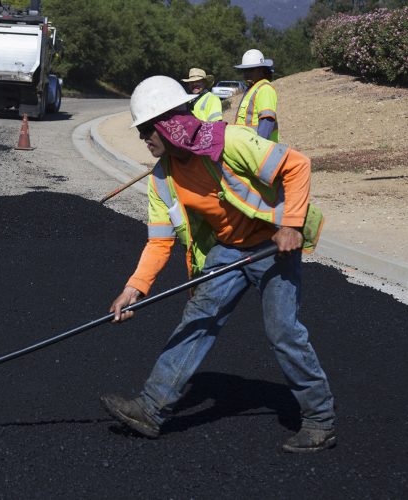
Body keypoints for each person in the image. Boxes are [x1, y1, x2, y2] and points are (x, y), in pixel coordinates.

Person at [100, 76, 336, 453]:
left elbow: (297, 164)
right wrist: (134, 288)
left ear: (168, 124)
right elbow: (159, 241)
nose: (143, 138)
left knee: (283, 332)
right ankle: (151, 408)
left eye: (147, 130)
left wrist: (290, 225)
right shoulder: (162, 177)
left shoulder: (231, 142)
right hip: (227, 250)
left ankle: (320, 419)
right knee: (197, 321)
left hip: (271, 246)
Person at [234, 49, 278, 141]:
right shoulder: (252, 88)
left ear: (261, 70)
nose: (246, 73)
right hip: (247, 146)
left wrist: (259, 146)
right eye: (244, 70)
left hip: (259, 149)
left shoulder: (265, 89)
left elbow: (267, 120)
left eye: (250, 70)